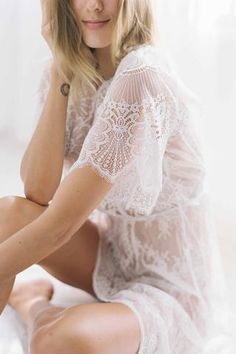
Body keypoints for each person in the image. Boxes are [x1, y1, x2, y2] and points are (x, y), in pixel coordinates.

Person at [0, 0, 232, 353]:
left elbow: (60, 224)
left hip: (170, 288)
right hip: (112, 254)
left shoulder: (143, 74)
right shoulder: (74, 68)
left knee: (58, 340)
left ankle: (33, 305)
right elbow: (37, 189)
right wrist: (61, 72)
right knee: (7, 215)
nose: (94, 6)